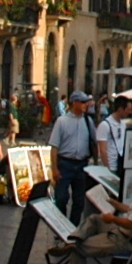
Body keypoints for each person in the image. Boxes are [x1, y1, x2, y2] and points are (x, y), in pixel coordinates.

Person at [50, 92, 94, 220]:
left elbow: (93, 142)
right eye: (83, 102)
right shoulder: (62, 121)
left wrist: (94, 163)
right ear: (74, 103)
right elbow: (54, 146)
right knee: (61, 198)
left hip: (82, 164)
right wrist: (54, 168)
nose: (86, 105)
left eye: (86, 102)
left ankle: (74, 227)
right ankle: (61, 225)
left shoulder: (87, 121)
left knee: (79, 200)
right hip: (65, 163)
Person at [96, 97, 132, 177]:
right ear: (120, 109)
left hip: (120, 164)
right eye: (128, 109)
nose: (130, 112)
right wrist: (107, 168)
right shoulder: (105, 125)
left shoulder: (123, 124)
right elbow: (102, 149)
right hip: (110, 166)